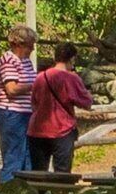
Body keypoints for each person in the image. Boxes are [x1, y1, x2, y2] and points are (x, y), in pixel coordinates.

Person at [27, 42, 92, 175]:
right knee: (62, 174)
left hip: (38, 130)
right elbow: (87, 103)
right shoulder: (71, 78)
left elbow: (34, 103)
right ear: (71, 59)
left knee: (38, 173)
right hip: (62, 130)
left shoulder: (40, 77)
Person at [0, 24, 39, 181]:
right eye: (29, 45)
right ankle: (7, 191)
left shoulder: (26, 62)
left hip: (26, 114)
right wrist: (36, 85)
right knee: (14, 157)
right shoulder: (8, 60)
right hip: (11, 114)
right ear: (18, 44)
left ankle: (27, 193)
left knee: (28, 157)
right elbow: (11, 89)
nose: (32, 49)